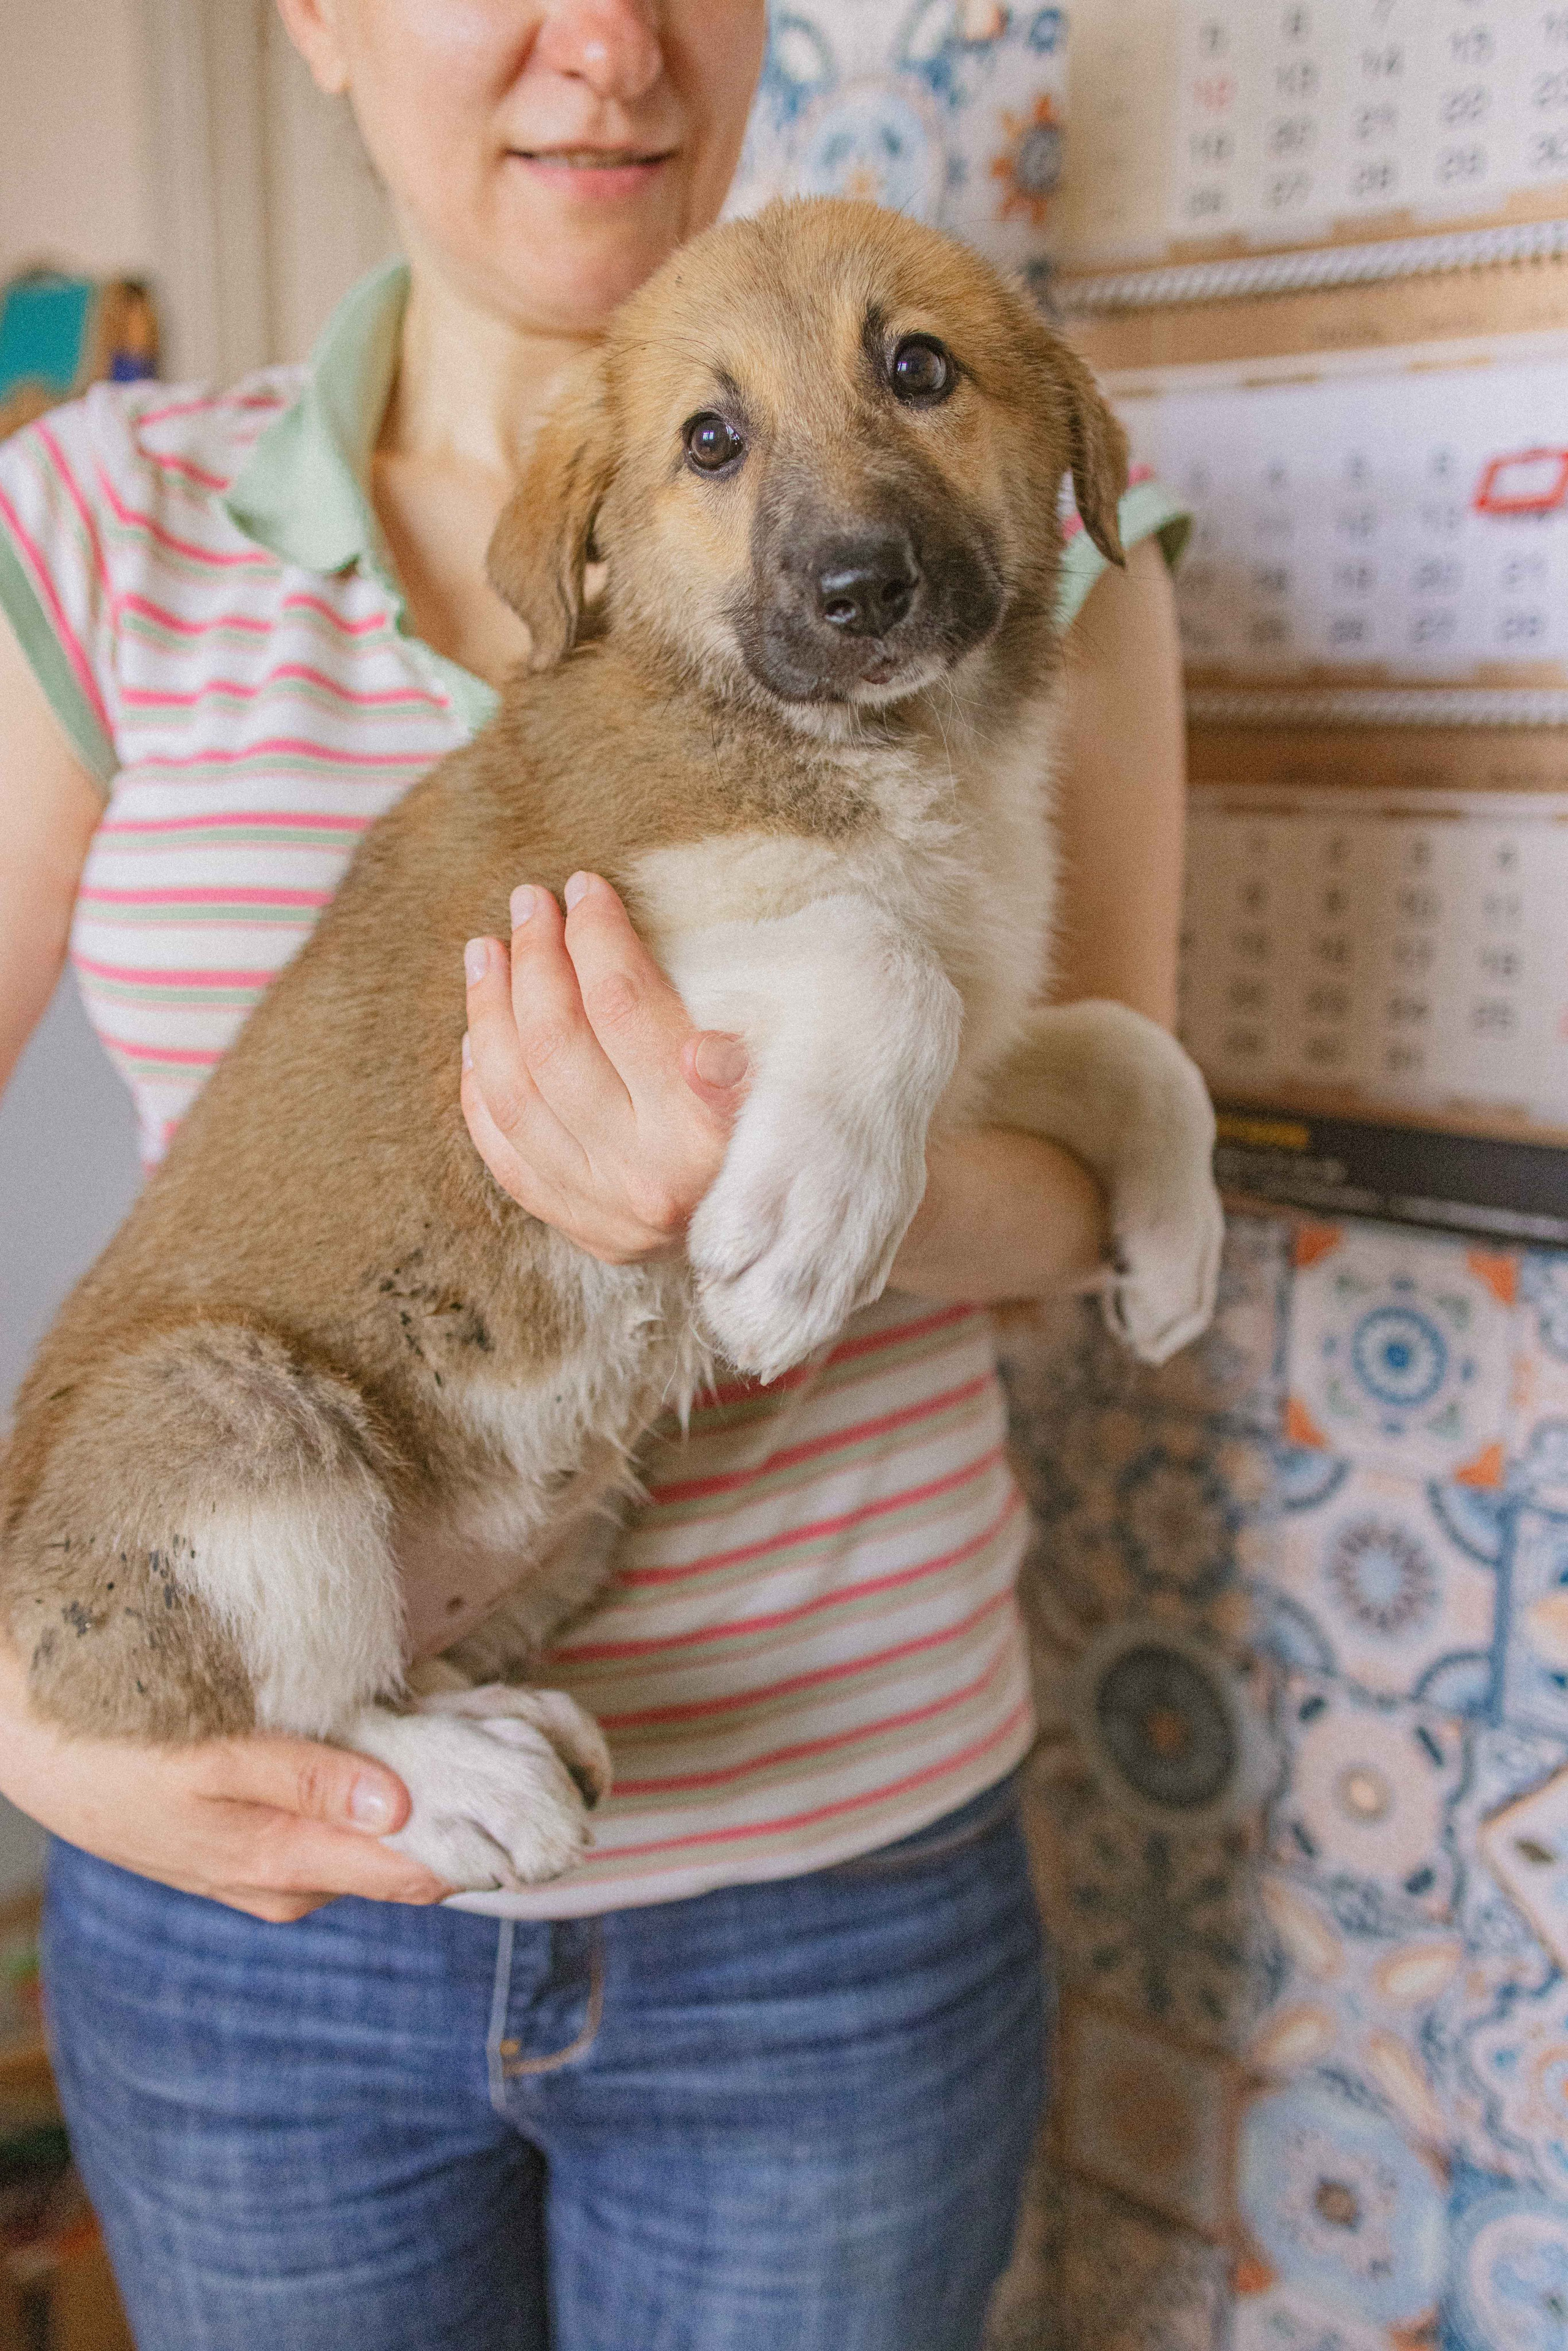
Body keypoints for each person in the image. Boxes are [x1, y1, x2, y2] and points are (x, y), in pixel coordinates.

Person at [0, 4, 1189, 2344]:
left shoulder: (1065, 559)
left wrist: (822, 1162)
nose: (609, 44)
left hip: (838, 1881)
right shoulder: (99, 514)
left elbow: (1055, 1188)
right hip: (245, 1881)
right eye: (718, 446)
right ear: (319, 23)